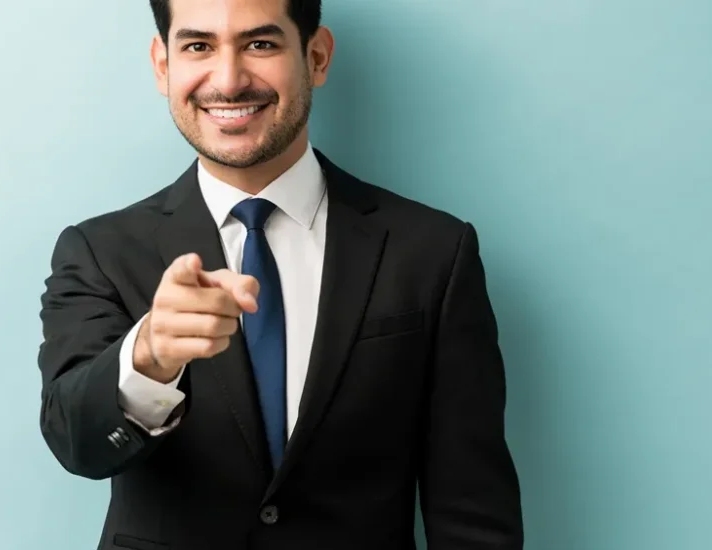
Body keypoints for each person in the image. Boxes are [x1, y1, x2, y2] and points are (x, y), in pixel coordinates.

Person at [35, 0, 524, 548]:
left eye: (260, 44)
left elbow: (472, 509)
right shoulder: (98, 250)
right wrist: (147, 357)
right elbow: (76, 443)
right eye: (198, 46)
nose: (228, 80)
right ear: (163, 65)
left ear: (315, 57)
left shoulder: (434, 251)